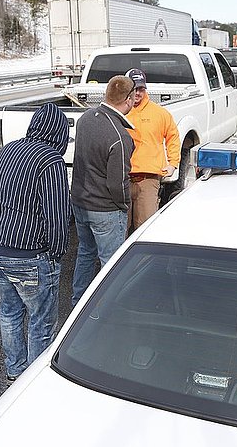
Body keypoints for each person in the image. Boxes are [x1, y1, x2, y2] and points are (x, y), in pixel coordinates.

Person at [0, 102, 71, 381]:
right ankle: (34, 384)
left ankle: (15, 372)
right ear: (59, 133)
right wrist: (57, 253)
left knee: (9, 311)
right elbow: (57, 214)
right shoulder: (51, 161)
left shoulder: (7, 150)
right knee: (41, 322)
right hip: (27, 255)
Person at [70, 75, 136, 306]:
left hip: (79, 203)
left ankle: (78, 301)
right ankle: (109, 310)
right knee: (111, 262)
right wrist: (124, 205)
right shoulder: (120, 137)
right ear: (127, 100)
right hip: (105, 209)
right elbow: (117, 183)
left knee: (86, 253)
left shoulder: (86, 118)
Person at [124, 68, 181, 232]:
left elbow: (173, 137)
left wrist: (173, 163)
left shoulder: (160, 113)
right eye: (133, 88)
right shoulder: (120, 112)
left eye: (141, 88)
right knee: (121, 230)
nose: (137, 93)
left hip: (148, 180)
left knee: (145, 229)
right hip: (122, 180)